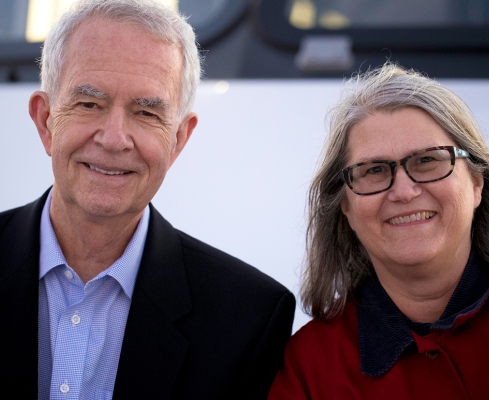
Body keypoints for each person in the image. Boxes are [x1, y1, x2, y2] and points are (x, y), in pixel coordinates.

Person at [0, 0, 296, 398]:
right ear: (45, 120)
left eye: (146, 113)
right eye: (90, 104)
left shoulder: (248, 317)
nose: (114, 138)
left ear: (178, 140)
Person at [268, 63, 489, 399]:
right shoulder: (311, 366)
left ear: (477, 183)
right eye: (374, 170)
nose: (404, 192)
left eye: (427, 161)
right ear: (345, 206)